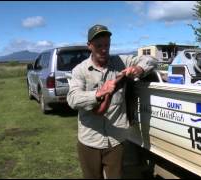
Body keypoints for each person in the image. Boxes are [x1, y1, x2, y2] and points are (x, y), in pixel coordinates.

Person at [67, 24, 157, 179]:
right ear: (89, 46)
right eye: (98, 45)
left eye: (107, 45)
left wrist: (139, 69)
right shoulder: (79, 70)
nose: (103, 49)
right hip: (89, 140)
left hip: (116, 141)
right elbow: (73, 99)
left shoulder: (121, 62)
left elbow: (151, 59)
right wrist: (98, 93)